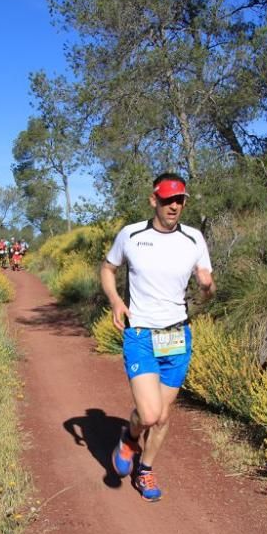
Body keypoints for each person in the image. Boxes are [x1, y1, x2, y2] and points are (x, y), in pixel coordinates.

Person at [99, 172, 215, 502]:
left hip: (177, 335)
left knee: (163, 416)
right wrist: (116, 301)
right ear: (154, 200)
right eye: (167, 200)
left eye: (179, 200)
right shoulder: (131, 235)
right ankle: (130, 437)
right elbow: (108, 268)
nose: (174, 206)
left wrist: (207, 286)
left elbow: (209, 290)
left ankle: (145, 469)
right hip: (140, 334)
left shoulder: (194, 239)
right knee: (148, 415)